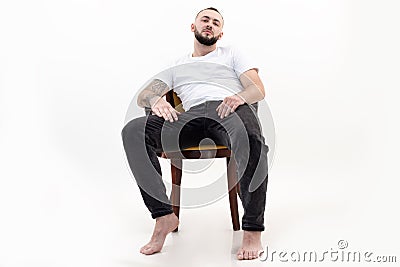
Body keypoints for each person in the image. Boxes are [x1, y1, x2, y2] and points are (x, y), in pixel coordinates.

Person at [122, 7, 269, 260]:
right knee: (133, 130)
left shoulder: (231, 53)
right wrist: (156, 99)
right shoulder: (176, 65)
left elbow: (257, 89)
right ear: (194, 27)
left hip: (227, 108)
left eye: (216, 22)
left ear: (220, 33)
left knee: (252, 139)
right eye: (205, 20)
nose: (210, 24)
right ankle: (163, 216)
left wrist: (237, 98)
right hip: (189, 118)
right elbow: (142, 96)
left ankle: (253, 230)